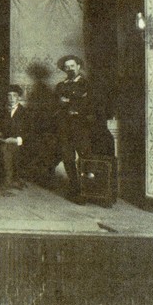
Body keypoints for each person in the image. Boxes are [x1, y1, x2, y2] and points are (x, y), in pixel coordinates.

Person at [55, 55, 92, 204]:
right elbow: (58, 103)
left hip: (81, 126)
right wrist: (74, 99)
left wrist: (69, 100)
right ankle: (75, 187)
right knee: (67, 157)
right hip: (64, 126)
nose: (69, 69)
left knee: (84, 156)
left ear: (78, 66)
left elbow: (88, 103)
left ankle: (87, 189)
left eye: (72, 66)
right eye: (66, 67)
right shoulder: (60, 85)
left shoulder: (86, 83)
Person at [0, 84, 31, 188]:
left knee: (7, 149)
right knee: (4, 147)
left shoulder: (25, 112)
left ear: (19, 97)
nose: (12, 98)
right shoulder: (4, 111)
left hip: (22, 142)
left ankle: (12, 179)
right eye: (9, 95)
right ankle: (9, 178)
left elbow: (29, 132)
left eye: (14, 95)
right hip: (6, 140)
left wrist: (17, 140)